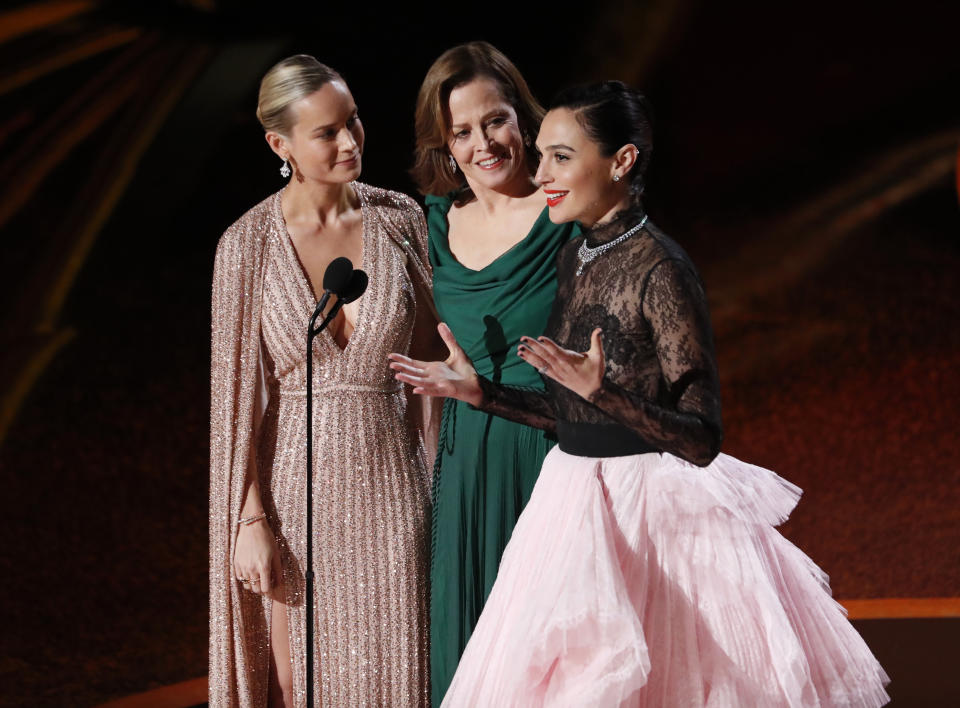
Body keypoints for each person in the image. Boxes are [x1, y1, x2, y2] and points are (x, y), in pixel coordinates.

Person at [391, 81, 890, 706]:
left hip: (651, 514)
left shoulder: (662, 268)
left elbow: (701, 438)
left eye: (561, 157)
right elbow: (570, 413)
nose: (540, 171)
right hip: (572, 501)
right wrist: (480, 393)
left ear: (621, 161)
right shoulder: (575, 257)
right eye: (541, 154)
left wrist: (606, 394)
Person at [210, 55, 438, 707]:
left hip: (397, 495)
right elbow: (236, 406)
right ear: (279, 145)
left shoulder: (401, 222)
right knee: (300, 685)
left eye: (354, 121)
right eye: (327, 132)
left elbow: (440, 365)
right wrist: (250, 520)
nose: (350, 141)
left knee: (407, 680)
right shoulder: (246, 247)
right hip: (294, 506)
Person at [409, 41, 579, 706]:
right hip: (465, 470)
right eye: (462, 131)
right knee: (475, 660)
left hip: (553, 456)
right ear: (444, 144)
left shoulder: (568, 207)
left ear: (523, 119)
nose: (483, 142)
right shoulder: (428, 228)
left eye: (495, 119)